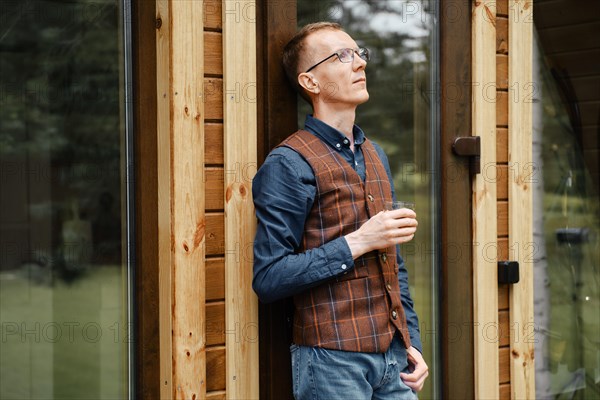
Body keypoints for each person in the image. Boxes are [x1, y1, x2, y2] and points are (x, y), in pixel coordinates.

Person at [252, 22, 429, 399]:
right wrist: (360, 241)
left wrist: (411, 342)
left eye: (360, 53)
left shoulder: (375, 154)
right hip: (330, 360)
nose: (360, 64)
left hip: (393, 360)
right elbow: (269, 277)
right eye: (343, 56)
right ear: (310, 82)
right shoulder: (288, 162)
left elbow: (393, 263)